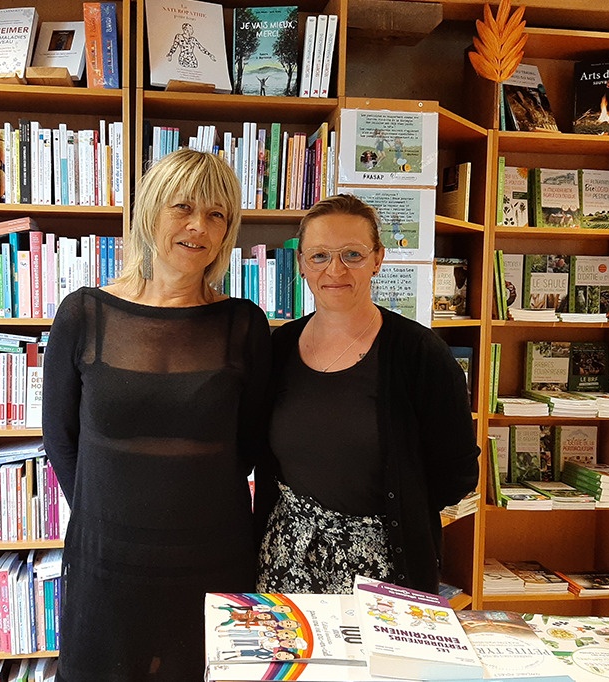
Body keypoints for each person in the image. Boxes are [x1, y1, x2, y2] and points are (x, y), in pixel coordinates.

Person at [42, 148, 272, 681]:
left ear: (227, 231)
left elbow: (253, 444)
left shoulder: (244, 324)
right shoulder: (84, 313)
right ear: (150, 212)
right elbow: (60, 436)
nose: (199, 226)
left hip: (214, 556)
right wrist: (108, 513)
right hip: (107, 559)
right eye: (183, 207)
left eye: (217, 214)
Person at [254, 193, 479, 595]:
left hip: (385, 565)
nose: (335, 269)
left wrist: (394, 511)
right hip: (287, 554)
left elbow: (457, 473)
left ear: (378, 259)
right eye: (319, 255)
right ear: (302, 263)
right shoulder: (279, 347)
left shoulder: (420, 353)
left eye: (352, 255)